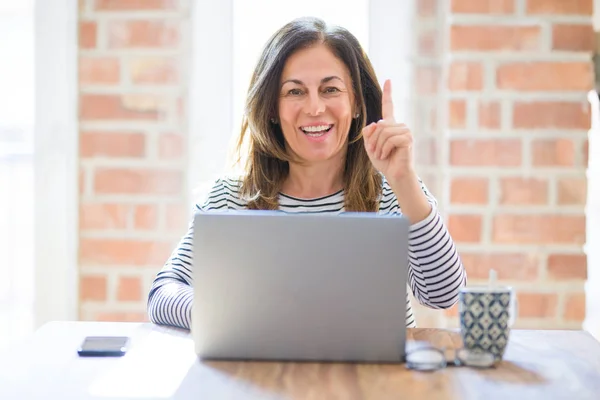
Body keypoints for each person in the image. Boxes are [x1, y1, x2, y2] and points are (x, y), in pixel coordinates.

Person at [147, 16, 467, 330]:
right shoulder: (231, 197)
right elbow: (163, 293)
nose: (314, 108)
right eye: (295, 92)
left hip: (375, 382)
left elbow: (445, 294)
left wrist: (404, 180)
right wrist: (229, 313)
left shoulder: (395, 193)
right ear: (272, 108)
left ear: (355, 103)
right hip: (265, 380)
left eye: (330, 90)